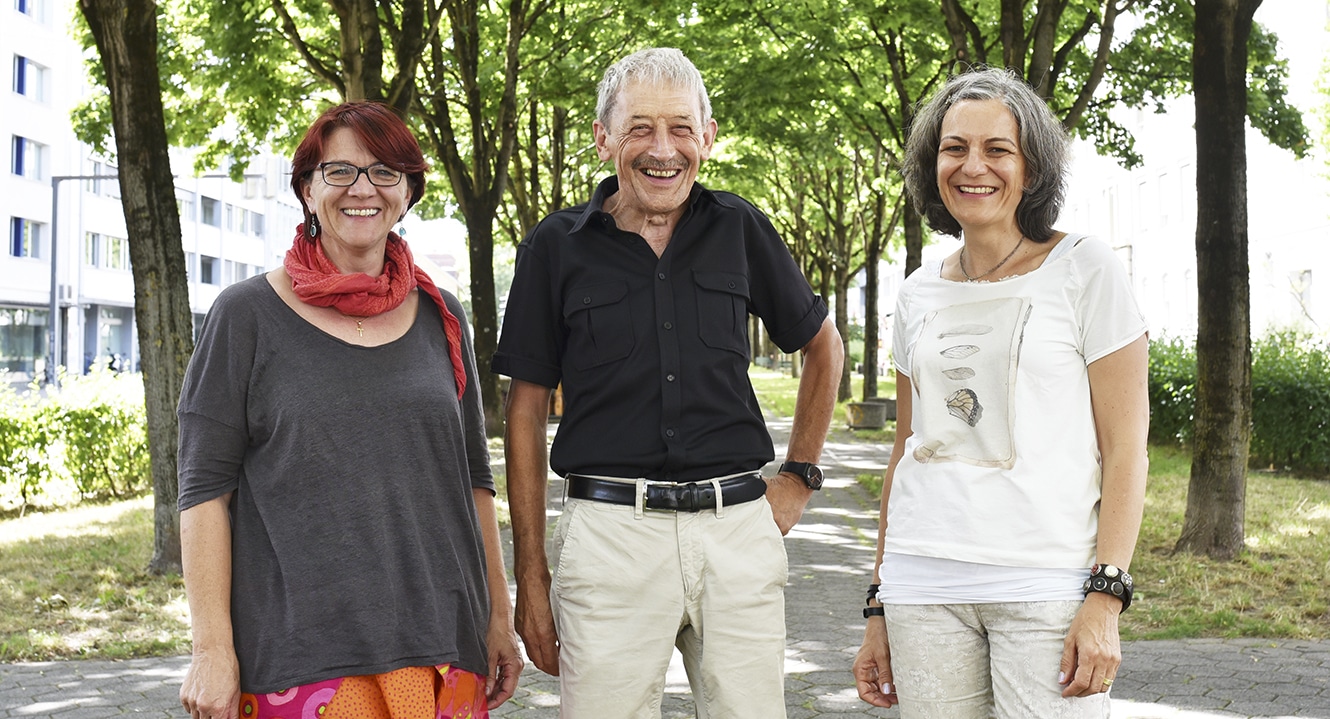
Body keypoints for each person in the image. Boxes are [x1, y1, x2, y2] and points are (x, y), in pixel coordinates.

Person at [492, 47, 844, 718]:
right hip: (609, 540)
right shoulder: (553, 248)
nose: (663, 148)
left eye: (681, 127)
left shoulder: (741, 228)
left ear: (707, 138)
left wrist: (798, 476)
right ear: (604, 140)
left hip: (737, 534)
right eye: (640, 127)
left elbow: (823, 347)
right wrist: (531, 574)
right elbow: (526, 414)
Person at [176, 101, 522, 719]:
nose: (362, 189)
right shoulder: (246, 316)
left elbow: (472, 480)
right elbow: (204, 492)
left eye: (385, 171)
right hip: (301, 658)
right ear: (308, 190)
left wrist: (500, 616)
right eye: (340, 172)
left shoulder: (441, 314)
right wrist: (211, 649)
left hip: (440, 645)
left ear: (408, 191)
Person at [852, 67, 1149, 718]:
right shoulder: (916, 292)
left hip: (1045, 586)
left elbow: (1126, 449)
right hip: (922, 585)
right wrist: (879, 600)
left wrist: (1106, 595)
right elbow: (905, 449)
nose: (972, 166)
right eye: (954, 148)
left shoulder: (1086, 269)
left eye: (997, 149)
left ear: (1032, 168)